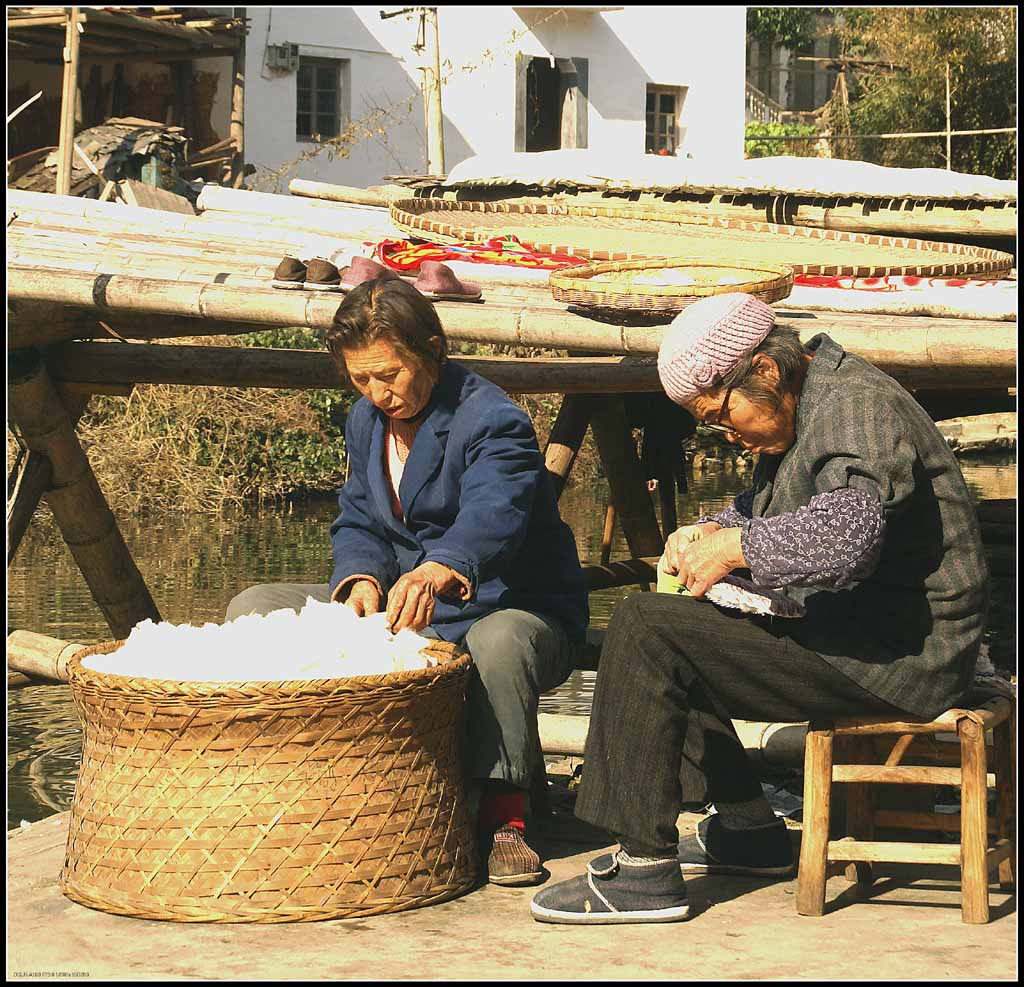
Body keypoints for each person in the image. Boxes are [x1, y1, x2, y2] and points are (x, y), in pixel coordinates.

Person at [531, 291, 989, 924]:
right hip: (860, 631)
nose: (728, 435)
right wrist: (710, 529)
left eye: (722, 416)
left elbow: (843, 539)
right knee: (673, 623)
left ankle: (644, 873)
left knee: (643, 628)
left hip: (904, 656)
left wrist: (734, 547)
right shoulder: (808, 400)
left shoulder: (857, 410)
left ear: (765, 372)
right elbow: (777, 508)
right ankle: (749, 830)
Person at [226, 277, 588, 887]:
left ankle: (507, 817)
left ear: (432, 350)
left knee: (496, 643)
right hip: (403, 608)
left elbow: (493, 514)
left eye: (389, 374)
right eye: (360, 379)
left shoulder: (492, 420)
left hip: (512, 612)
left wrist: (439, 567)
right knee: (253, 605)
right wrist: (359, 579)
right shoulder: (365, 421)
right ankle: (293, 777)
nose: (377, 392)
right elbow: (359, 518)